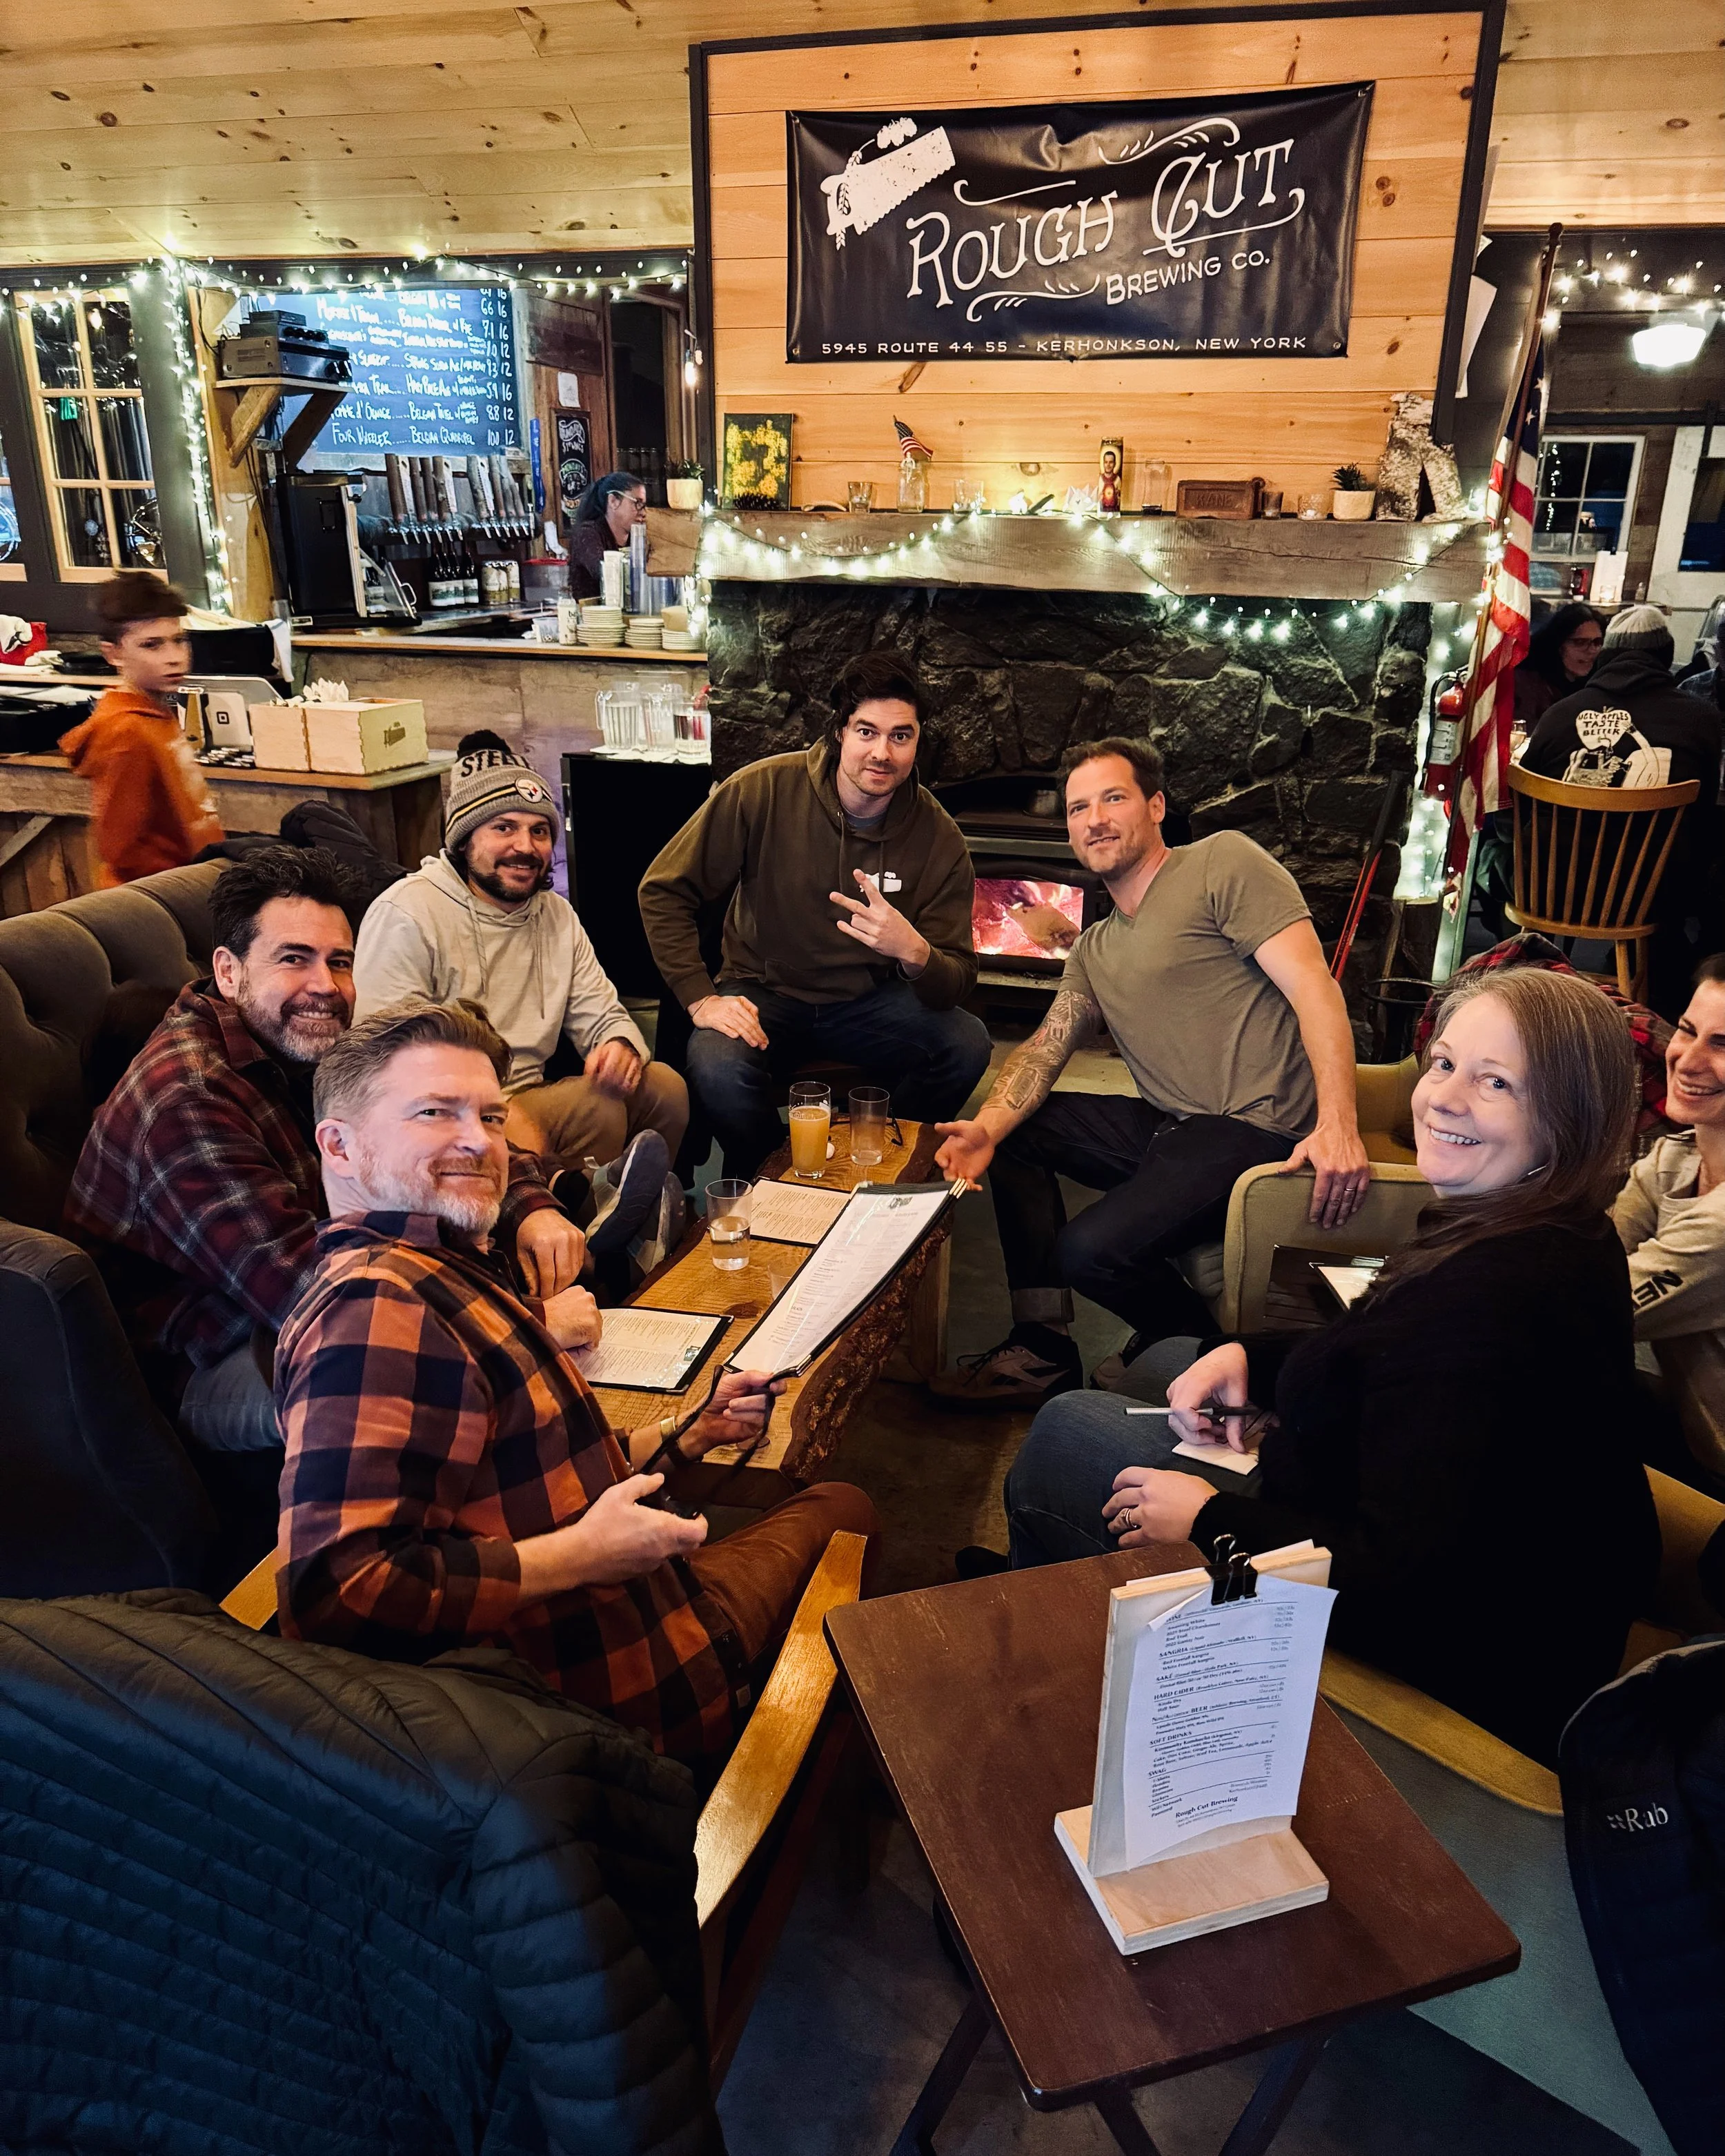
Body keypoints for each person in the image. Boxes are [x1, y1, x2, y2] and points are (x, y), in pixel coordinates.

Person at [998, 967, 1661, 1767]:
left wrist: (1206, 1521)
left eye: (1496, 1082)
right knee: (1182, 1355)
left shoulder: (1486, 1304)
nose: (1444, 1098)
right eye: (1444, 1063)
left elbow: (1396, 1587)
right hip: (1445, 1546)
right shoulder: (1553, 1224)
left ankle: (1047, 1695)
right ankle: (1100, 1615)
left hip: (1435, 1667)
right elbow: (1387, 1351)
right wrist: (1253, 1356)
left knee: (1066, 1433)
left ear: (1567, 1116)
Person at [275, 996, 879, 1768]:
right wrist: (581, 1556)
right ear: (339, 1145)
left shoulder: (439, 1263)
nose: (477, 1140)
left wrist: (683, 1433)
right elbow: (335, 1593)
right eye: (435, 1112)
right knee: (847, 1509)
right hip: (631, 1713)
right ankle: (785, 1812)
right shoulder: (376, 1305)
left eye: (491, 1118)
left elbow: (532, 1466)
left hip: (647, 1618)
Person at [66, 847, 585, 1456]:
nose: (326, 986)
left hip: (348, 1263)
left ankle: (568, 1219)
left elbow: (444, 1110)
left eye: (340, 962)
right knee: (390, 1370)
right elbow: (315, 1299)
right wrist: (527, 1324)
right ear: (228, 972)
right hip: (222, 1354)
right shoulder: (184, 1101)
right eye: (294, 958)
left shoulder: (304, 1040)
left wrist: (531, 1203)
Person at [934, 737, 1370, 1405]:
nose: (1094, 818)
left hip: (1258, 1127)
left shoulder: (1219, 864)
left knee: (1091, 1249)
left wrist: (1339, 1123)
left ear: (1156, 804)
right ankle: (1044, 1343)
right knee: (1017, 1135)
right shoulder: (1095, 949)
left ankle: (1217, 1364)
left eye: (1113, 797)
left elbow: (1314, 986)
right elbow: (1046, 1047)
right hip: (1175, 1127)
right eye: (1079, 807)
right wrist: (985, 1127)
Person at [639, 651, 992, 1178]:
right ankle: (771, 1168)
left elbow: (955, 981)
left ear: (918, 743)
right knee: (714, 1063)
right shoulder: (762, 790)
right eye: (867, 731)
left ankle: (877, 1157)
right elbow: (663, 889)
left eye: (901, 736)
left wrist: (914, 952)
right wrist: (700, 998)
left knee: (968, 1045)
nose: (882, 752)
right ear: (839, 732)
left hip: (868, 1001)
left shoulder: (938, 836)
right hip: (763, 990)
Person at [353, 731, 689, 1217]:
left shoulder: (556, 915)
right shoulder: (408, 912)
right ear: (465, 838)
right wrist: (484, 1111)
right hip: (450, 1110)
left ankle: (635, 1219)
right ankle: (588, 1244)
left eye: (539, 831)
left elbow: (601, 1011)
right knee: (598, 1107)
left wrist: (616, 1044)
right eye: (504, 828)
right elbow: (383, 1060)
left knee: (665, 1090)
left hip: (531, 1091)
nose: (524, 846)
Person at [1521, 604, 1723, 1013]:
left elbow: (1522, 803)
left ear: (1607, 654)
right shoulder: (1702, 720)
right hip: (1648, 899)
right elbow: (1701, 820)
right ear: (1666, 654)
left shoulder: (1560, 715)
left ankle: (1525, 986)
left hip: (1551, 891)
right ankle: (1664, 1007)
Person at [1613, 956, 1725, 1482]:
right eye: (1687, 1029)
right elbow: (1588, 1257)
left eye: (1722, 1045)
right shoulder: (1674, 1158)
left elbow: (1587, 1308)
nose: (1688, 1059)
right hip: (1681, 1423)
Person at [58, 571, 223, 886]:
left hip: (188, 886)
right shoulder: (126, 731)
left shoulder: (154, 712)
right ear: (114, 653)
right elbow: (121, 848)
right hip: (156, 900)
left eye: (179, 640)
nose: (174, 658)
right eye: (152, 645)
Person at [1514, 600, 1605, 733]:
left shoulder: (1598, 684)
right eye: (1580, 642)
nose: (1591, 650)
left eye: (1597, 642)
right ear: (1558, 645)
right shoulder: (1527, 684)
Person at [568, 471, 647, 601]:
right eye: (637, 503)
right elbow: (604, 573)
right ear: (613, 501)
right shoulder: (587, 533)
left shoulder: (637, 538)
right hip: (592, 618)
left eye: (644, 505)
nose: (643, 513)